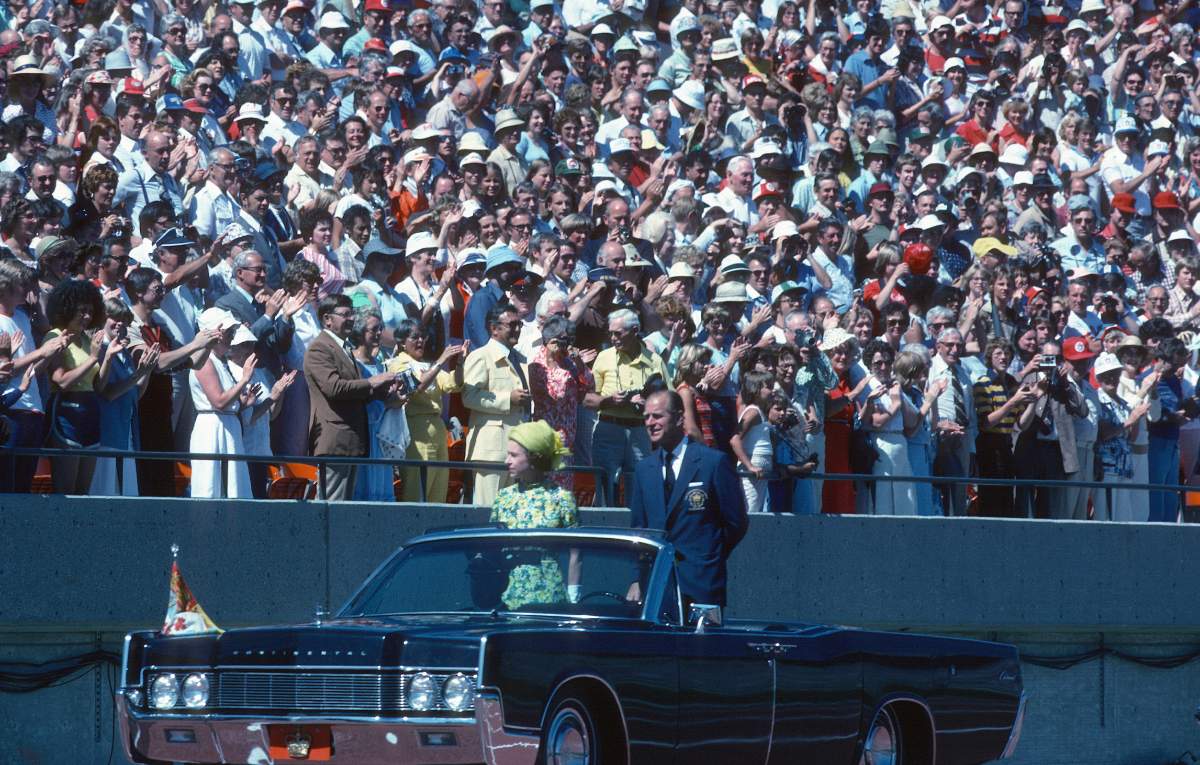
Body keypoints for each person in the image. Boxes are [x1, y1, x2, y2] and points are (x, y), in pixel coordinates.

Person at [628, 389, 748, 608]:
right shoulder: (644, 469)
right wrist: (637, 578)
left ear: (679, 418)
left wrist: (709, 555)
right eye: (646, 417)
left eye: (657, 416)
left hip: (702, 585)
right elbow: (640, 529)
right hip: (657, 587)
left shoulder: (712, 463)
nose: (650, 422)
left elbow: (736, 522)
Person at [304, 294, 399, 500]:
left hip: (351, 441)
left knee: (345, 509)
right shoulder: (320, 347)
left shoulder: (343, 347)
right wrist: (371, 382)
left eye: (352, 314)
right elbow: (333, 388)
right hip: (336, 440)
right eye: (345, 314)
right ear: (327, 319)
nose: (351, 319)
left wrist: (381, 392)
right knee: (332, 508)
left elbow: (355, 393)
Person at [489, 420, 578, 608]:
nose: (507, 461)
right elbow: (491, 550)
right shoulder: (503, 498)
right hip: (506, 599)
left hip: (549, 599)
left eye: (514, 455)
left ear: (534, 458)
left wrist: (574, 595)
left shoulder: (562, 498)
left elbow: (576, 552)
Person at [387, 319, 467, 503]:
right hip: (417, 431)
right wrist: (441, 361)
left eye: (423, 336)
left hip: (437, 430)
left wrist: (460, 362)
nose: (421, 341)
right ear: (402, 342)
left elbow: (453, 384)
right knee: (417, 490)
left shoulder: (427, 365)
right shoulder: (399, 363)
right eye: (415, 337)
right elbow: (418, 386)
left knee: (438, 491)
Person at [44, 280, 109, 494]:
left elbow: (98, 385)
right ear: (67, 309)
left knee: (83, 493)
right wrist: (92, 358)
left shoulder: (86, 339)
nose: (87, 317)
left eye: (91, 312)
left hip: (90, 414)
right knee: (66, 492)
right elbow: (60, 381)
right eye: (82, 312)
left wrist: (107, 357)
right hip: (66, 413)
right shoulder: (55, 336)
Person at [463, 302, 530, 505]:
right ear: (494, 328)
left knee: (511, 513)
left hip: (516, 449)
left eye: (519, 324)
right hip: (490, 452)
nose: (517, 329)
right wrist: (507, 399)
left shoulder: (520, 359)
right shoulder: (480, 357)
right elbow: (469, 396)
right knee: (488, 511)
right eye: (512, 325)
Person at [188, 308, 254, 499]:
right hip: (211, 431)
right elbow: (218, 401)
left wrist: (243, 402)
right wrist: (244, 380)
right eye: (228, 332)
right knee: (211, 487)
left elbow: (228, 402)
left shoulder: (221, 361)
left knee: (234, 487)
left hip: (229, 428)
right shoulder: (204, 360)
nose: (231, 338)